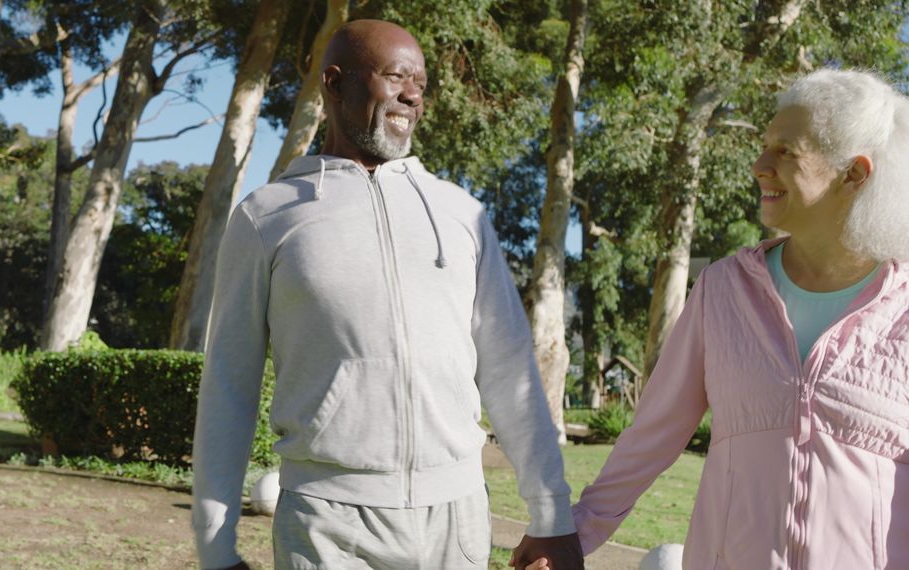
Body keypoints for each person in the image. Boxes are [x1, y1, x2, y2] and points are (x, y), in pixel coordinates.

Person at [191, 19, 584, 570]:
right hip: (329, 524)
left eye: (420, 82)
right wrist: (214, 547)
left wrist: (552, 515)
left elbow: (508, 368)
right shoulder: (266, 218)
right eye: (396, 76)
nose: (413, 95)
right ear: (334, 83)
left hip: (458, 520)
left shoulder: (462, 215)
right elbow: (230, 386)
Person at [526, 68, 909, 570]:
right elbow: (653, 432)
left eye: (786, 151)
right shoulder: (724, 290)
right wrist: (575, 533)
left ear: (854, 174)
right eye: (764, 145)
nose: (759, 165)